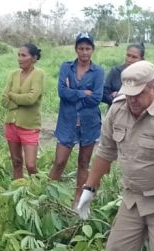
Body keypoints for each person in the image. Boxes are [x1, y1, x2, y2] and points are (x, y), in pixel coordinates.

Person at [75, 61, 154, 251]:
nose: (132, 100)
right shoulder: (118, 109)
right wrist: (89, 188)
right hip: (132, 199)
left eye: (138, 94)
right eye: (128, 94)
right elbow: (106, 151)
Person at [50, 32, 104, 201]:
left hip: (89, 123)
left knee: (83, 162)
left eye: (88, 48)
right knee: (59, 162)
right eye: (81, 48)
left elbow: (96, 98)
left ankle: (78, 200)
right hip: (67, 122)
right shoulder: (66, 67)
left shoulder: (98, 71)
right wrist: (82, 93)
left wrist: (72, 95)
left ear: (92, 50)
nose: (84, 52)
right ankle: (48, 197)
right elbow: (61, 92)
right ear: (76, 49)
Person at [2, 43, 45, 179]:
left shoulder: (38, 74)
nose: (20, 58)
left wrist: (13, 96)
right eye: (19, 55)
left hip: (29, 126)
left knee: (31, 165)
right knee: (16, 162)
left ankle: (37, 188)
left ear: (33, 58)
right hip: (11, 124)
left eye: (24, 55)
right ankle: (19, 190)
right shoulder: (13, 74)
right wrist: (20, 102)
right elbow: (4, 100)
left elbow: (31, 99)